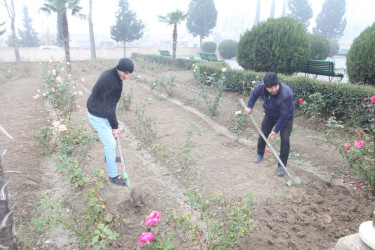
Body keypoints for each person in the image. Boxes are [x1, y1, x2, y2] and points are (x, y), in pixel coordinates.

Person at [87, 58, 134, 186]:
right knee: (111, 144)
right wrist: (115, 126)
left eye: (129, 73)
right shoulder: (111, 83)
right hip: (97, 115)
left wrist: (113, 125)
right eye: (126, 73)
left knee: (111, 141)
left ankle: (110, 158)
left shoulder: (113, 74)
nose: (127, 76)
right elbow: (109, 109)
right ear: (119, 69)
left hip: (100, 110)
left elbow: (109, 106)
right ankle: (113, 176)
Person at [244, 72, 295, 177]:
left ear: (278, 83)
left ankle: (282, 165)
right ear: (265, 86)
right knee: (263, 133)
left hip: (286, 117)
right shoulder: (261, 87)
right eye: (270, 88)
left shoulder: (287, 94)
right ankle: (260, 153)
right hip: (270, 114)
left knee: (285, 140)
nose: (274, 89)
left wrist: (276, 130)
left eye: (275, 86)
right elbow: (254, 94)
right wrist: (249, 106)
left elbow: (284, 116)